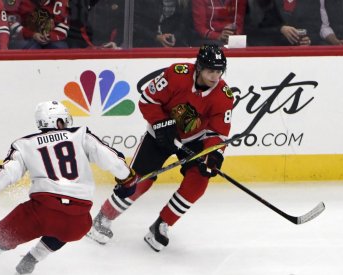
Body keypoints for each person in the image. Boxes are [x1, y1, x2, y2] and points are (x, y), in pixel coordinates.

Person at [0, 101, 138, 274]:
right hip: (79, 221)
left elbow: (6, 174)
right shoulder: (81, 134)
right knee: (64, 225)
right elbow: (112, 160)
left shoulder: (25, 144)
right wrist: (127, 180)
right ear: (58, 121)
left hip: (40, 214)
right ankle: (32, 259)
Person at [86, 44, 234, 252]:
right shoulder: (176, 74)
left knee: (199, 181)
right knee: (139, 181)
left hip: (194, 139)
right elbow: (147, 99)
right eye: (211, 70)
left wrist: (213, 155)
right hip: (160, 133)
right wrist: (162, 124)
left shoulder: (223, 96)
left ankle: (162, 224)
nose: (215, 76)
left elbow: (218, 133)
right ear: (199, 67)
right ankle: (104, 217)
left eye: (219, 71)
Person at [245, 0, 321, 46]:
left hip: (303, 55)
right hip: (272, 54)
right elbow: (254, 29)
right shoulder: (263, 2)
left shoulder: (311, 2)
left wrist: (309, 40)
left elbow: (315, 26)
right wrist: (280, 29)